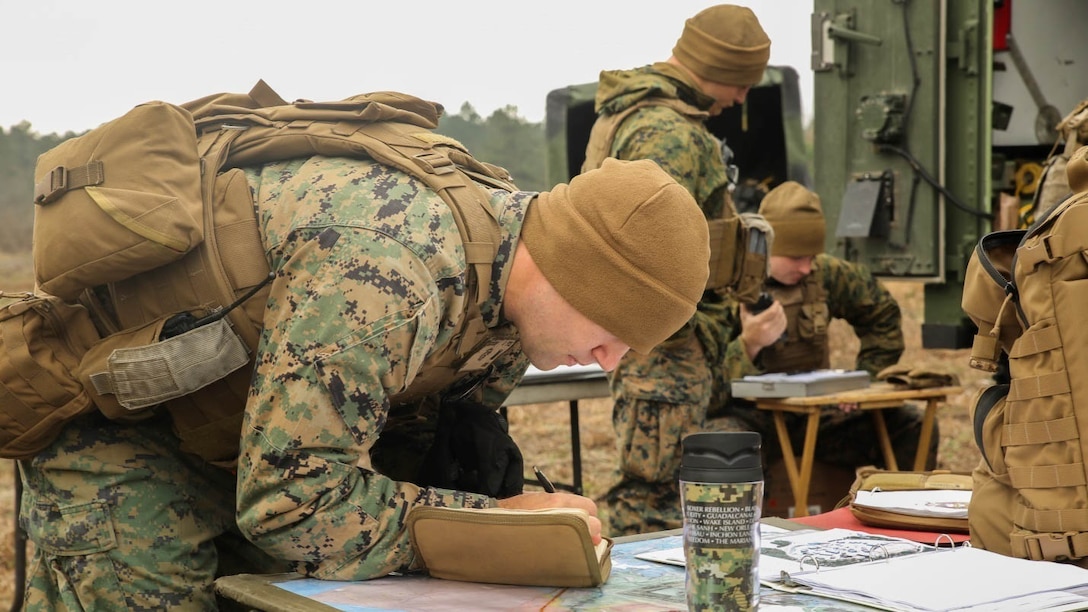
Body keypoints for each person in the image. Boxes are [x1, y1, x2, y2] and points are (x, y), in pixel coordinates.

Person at [17, 152, 711, 609]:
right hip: (123, 432)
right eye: (614, 329)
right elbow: (290, 504)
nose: (611, 361)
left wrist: (517, 526)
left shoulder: (509, 312)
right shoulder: (392, 276)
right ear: (576, 272)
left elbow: (398, 466)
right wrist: (490, 524)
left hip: (247, 436)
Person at [578, 3, 774, 536]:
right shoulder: (665, 131)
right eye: (742, 83)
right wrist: (675, 328)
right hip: (666, 347)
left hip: (671, 338)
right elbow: (646, 246)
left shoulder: (650, 117)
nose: (741, 98)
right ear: (723, 69)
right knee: (651, 499)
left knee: (665, 491)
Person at [712, 181, 938, 476]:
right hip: (753, 419)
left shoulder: (826, 274)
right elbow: (703, 383)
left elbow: (882, 313)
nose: (806, 267)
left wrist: (864, 379)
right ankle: (750, 521)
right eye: (796, 257)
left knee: (912, 425)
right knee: (725, 443)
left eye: (811, 256)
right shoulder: (727, 286)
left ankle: (903, 513)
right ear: (767, 246)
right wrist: (748, 344)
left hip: (816, 417)